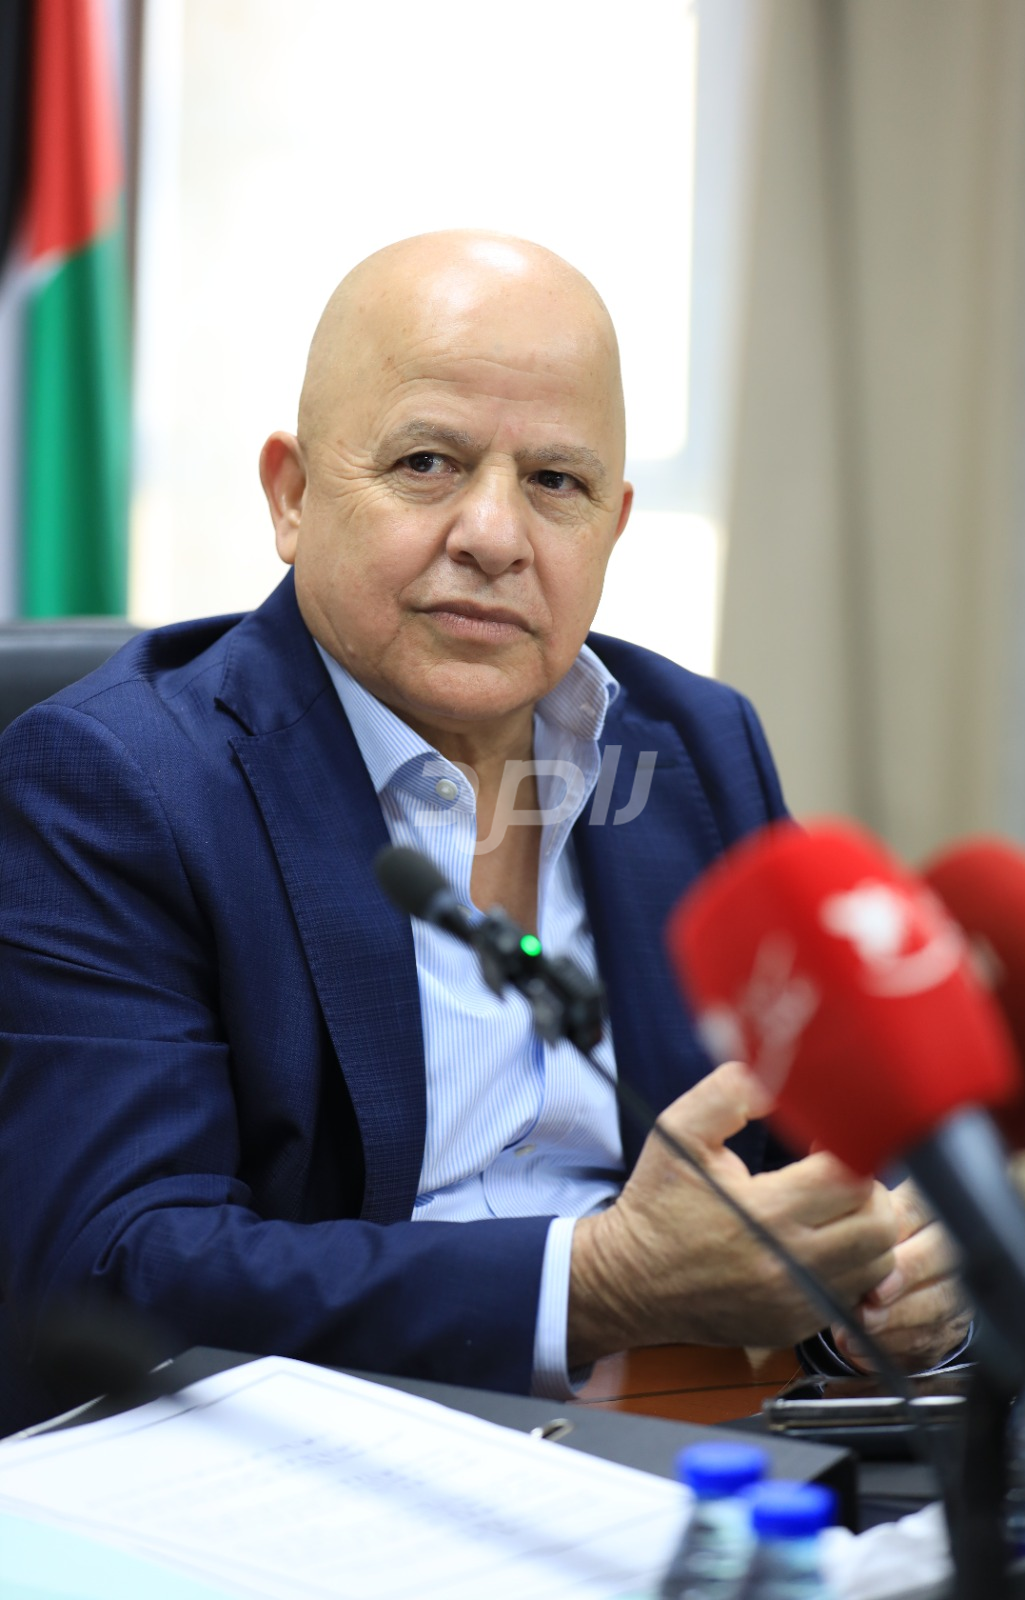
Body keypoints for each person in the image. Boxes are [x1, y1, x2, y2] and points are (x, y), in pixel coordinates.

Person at [0, 232, 968, 1434]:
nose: (495, 535)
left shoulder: (694, 747)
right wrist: (595, 1280)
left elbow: (816, 1152)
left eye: (555, 483)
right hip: (315, 1454)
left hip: (667, 1434)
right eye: (427, 463)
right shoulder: (115, 783)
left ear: (613, 524)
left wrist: (886, 1277)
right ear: (291, 496)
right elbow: (110, 1268)